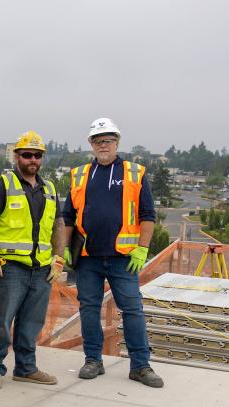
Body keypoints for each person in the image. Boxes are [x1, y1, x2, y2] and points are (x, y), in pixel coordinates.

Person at [60, 117, 164, 388]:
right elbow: (68, 218)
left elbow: (147, 215)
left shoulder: (134, 173)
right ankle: (93, 360)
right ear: (91, 145)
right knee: (89, 309)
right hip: (87, 258)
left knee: (132, 310)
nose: (103, 145)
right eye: (97, 141)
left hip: (124, 258)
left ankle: (140, 366)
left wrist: (143, 248)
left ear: (117, 142)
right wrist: (63, 253)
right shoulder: (79, 175)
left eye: (107, 140)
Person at [0, 130, 65, 389]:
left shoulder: (49, 188)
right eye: (27, 155)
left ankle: (26, 368)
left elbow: (58, 225)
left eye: (37, 155)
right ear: (17, 157)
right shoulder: (2, 185)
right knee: (3, 319)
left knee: (32, 321)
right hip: (11, 268)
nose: (32, 159)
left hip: (41, 268)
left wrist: (59, 258)